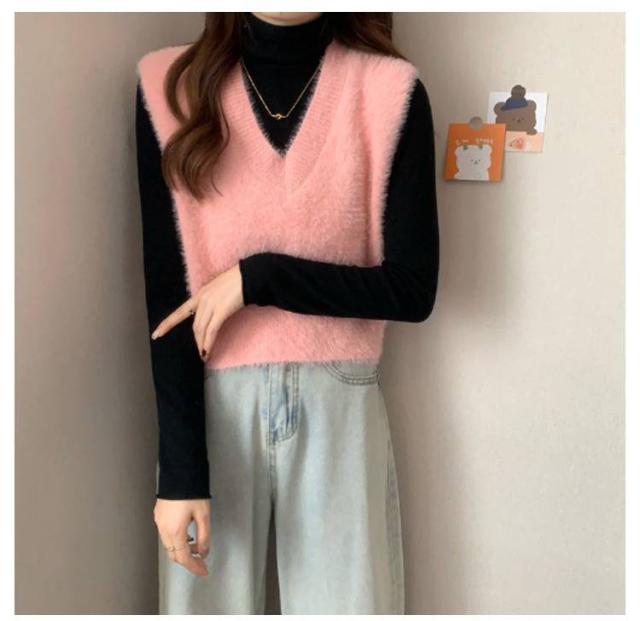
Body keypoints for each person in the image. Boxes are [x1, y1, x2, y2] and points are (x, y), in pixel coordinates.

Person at [135, 11, 439, 614]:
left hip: (340, 403)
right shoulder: (169, 86)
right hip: (211, 406)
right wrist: (180, 473)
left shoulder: (389, 89)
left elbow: (412, 290)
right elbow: (168, 299)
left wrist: (259, 278)